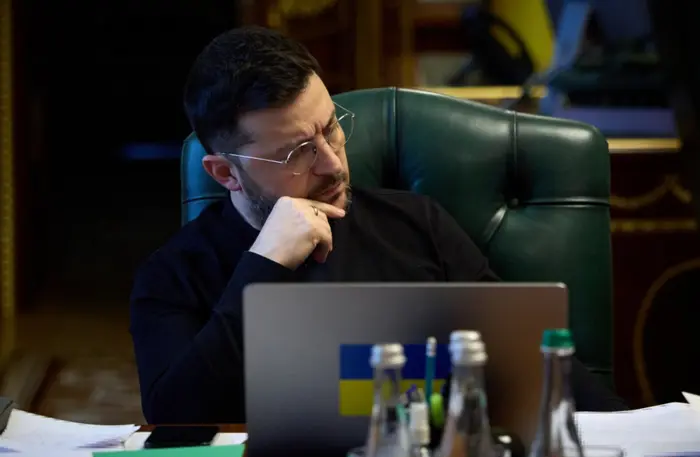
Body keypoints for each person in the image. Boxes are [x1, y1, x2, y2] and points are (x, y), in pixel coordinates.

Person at [130, 26, 627, 424]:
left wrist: (630, 433)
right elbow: (173, 419)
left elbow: (529, 361)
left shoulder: (417, 226)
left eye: (331, 128)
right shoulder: (173, 275)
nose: (333, 164)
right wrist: (264, 265)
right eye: (296, 153)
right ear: (225, 173)